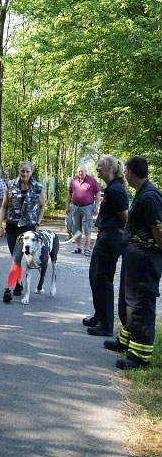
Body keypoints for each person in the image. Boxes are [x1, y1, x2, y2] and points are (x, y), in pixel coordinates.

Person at [104, 156, 162, 369]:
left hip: (145, 261)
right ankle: (126, 340)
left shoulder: (150, 197)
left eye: (125, 171)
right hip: (134, 259)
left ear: (129, 172)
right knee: (128, 302)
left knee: (140, 305)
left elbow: (159, 232)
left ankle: (139, 356)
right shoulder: (142, 193)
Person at [82, 155, 129, 337]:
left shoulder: (116, 190)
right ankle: (100, 315)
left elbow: (125, 218)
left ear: (110, 168)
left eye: (100, 165)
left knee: (103, 279)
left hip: (111, 237)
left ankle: (106, 325)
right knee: (95, 277)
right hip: (105, 235)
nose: (97, 168)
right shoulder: (111, 188)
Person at [0, 160, 45, 303]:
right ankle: (18, 283)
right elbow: (4, 207)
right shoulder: (10, 185)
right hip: (12, 226)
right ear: (19, 171)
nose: (25, 174)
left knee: (17, 257)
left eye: (27, 171)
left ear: (31, 172)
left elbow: (42, 206)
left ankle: (8, 288)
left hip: (27, 228)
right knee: (14, 257)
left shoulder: (37, 187)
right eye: (23, 171)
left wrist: (38, 223)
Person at [66, 165, 100, 256]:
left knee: (87, 228)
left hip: (87, 207)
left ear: (86, 171)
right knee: (76, 228)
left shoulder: (92, 180)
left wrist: (96, 206)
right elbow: (69, 194)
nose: (80, 173)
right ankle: (78, 247)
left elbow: (97, 193)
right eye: (79, 171)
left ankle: (87, 248)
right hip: (75, 207)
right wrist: (67, 206)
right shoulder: (73, 180)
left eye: (82, 171)